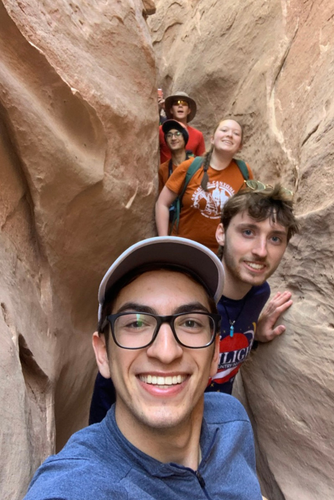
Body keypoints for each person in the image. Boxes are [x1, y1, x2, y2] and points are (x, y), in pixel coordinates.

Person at [24, 237, 263, 500]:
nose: (166, 352)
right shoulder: (76, 485)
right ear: (103, 353)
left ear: (216, 352)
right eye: (136, 323)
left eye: (191, 323)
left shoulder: (232, 421)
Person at [206, 183, 299, 394]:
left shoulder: (259, 294)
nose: (261, 251)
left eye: (275, 238)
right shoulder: (191, 298)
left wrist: (254, 333)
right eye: (248, 232)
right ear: (221, 233)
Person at [155, 118, 253, 253]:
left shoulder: (244, 172)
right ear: (212, 139)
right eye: (224, 130)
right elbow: (162, 203)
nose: (229, 135)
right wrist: (164, 241)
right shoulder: (190, 167)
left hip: (222, 254)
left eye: (236, 133)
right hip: (182, 249)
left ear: (240, 145)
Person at [159, 91, 205, 163]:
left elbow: (202, 163)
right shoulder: (161, 130)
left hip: (189, 174)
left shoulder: (198, 135)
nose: (180, 105)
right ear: (171, 110)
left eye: (184, 103)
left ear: (189, 110)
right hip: (165, 173)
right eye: (176, 103)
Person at [158, 119, 194, 192]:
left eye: (177, 134)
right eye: (169, 135)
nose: (173, 138)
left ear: (185, 137)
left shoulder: (195, 165)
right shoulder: (163, 169)